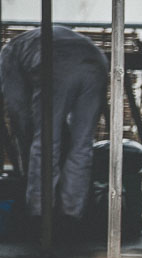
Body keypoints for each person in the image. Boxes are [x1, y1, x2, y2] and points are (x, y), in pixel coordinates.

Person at [0, 26, 107, 231]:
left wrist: (25, 142)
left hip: (56, 63)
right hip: (95, 60)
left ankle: (39, 213)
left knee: (46, 142)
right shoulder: (26, 42)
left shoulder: (8, 53)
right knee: (82, 144)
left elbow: (18, 109)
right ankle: (72, 213)